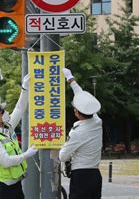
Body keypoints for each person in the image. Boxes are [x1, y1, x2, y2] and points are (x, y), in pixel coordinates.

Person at [0, 74, 38, 199]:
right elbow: (6, 162)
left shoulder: (8, 127)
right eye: (2, 111)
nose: (6, 112)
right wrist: (26, 154)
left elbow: (19, 108)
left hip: (15, 185)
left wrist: (25, 88)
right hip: (3, 188)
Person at [59, 67, 103, 199]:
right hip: (95, 175)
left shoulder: (77, 133)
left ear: (77, 112)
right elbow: (83, 97)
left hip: (81, 177)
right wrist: (70, 79)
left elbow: (62, 156)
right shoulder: (97, 121)